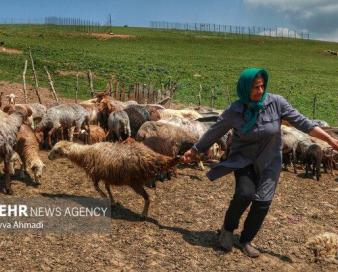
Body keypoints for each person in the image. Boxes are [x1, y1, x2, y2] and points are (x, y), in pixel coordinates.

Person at [182, 67, 338, 258]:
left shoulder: (276, 103)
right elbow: (215, 131)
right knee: (244, 193)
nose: (260, 91)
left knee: (262, 202)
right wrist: (195, 150)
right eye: (256, 87)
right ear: (245, 88)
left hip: (270, 162)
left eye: (263, 86)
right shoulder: (235, 110)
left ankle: (246, 239)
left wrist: (329, 140)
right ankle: (228, 230)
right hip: (244, 160)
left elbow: (303, 123)